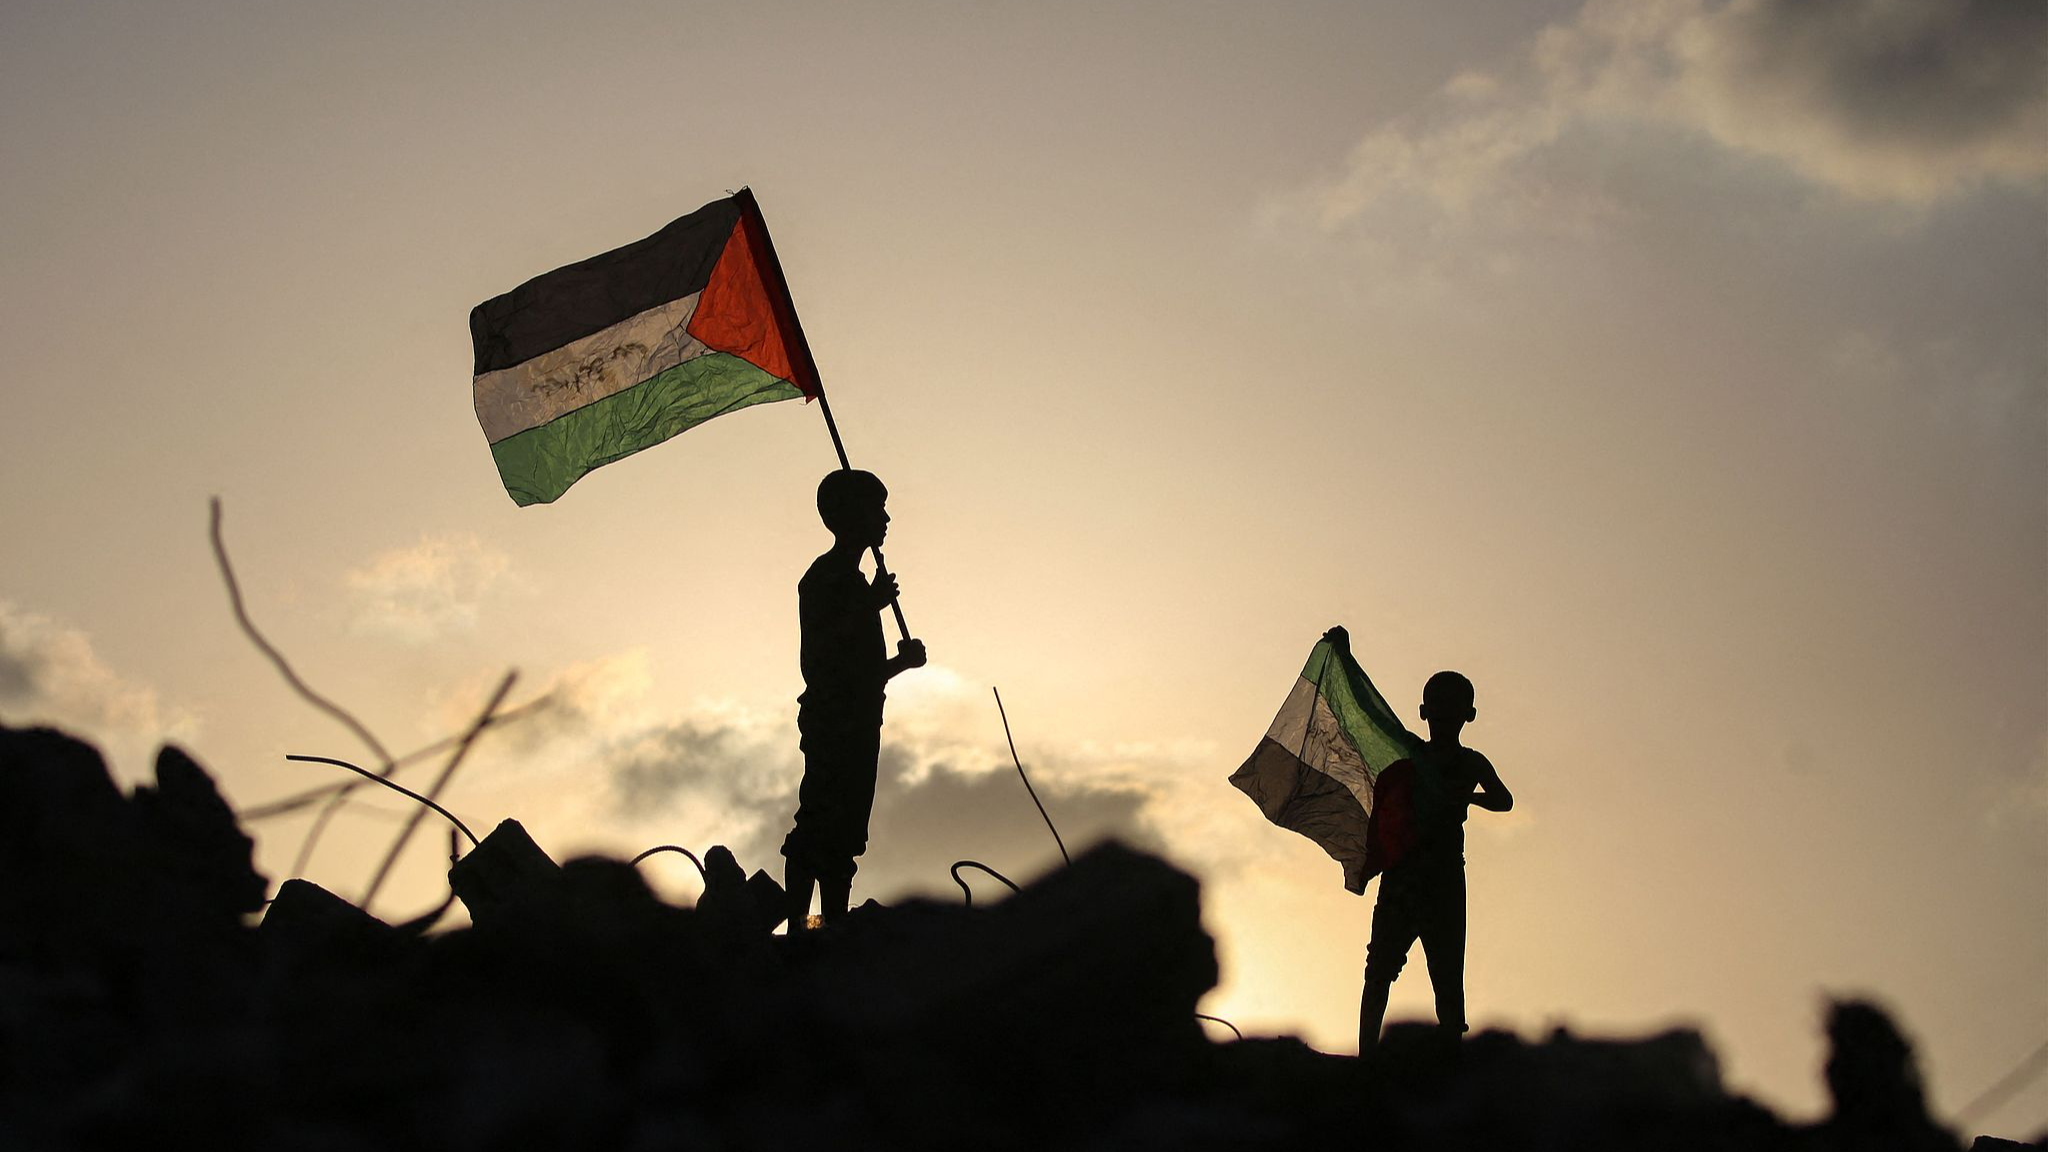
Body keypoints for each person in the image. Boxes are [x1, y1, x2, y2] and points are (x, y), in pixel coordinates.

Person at [780, 469, 926, 933]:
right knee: (818, 823)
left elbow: (862, 676)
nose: (885, 519)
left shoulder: (858, 586)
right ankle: (800, 926)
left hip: (860, 722)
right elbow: (823, 659)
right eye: (875, 509)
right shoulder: (824, 579)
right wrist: (871, 606)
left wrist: (901, 664)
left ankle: (834, 926)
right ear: (848, 517)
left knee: (844, 834)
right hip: (832, 723)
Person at [1358, 669, 1513, 1056]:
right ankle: (1367, 1056)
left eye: (1451, 709)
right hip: (1405, 875)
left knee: (1446, 977)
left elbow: (1504, 799)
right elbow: (1371, 717)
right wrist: (1344, 656)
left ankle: (1449, 1062)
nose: (1444, 717)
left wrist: (1468, 798)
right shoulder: (1410, 756)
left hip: (1443, 878)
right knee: (1380, 968)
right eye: (1439, 708)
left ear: (1468, 715)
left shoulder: (1470, 764)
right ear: (1425, 712)